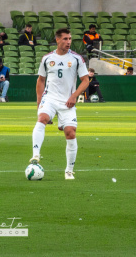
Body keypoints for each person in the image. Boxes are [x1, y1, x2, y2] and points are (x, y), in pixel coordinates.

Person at [29, 28, 89, 180]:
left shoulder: (77, 59)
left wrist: (74, 96)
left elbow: (86, 80)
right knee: (41, 119)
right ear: (57, 40)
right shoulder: (47, 58)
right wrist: (39, 102)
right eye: (65, 39)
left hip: (67, 102)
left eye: (70, 39)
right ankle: (35, 155)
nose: (68, 42)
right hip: (49, 98)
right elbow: (41, 80)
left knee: (70, 132)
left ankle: (69, 170)